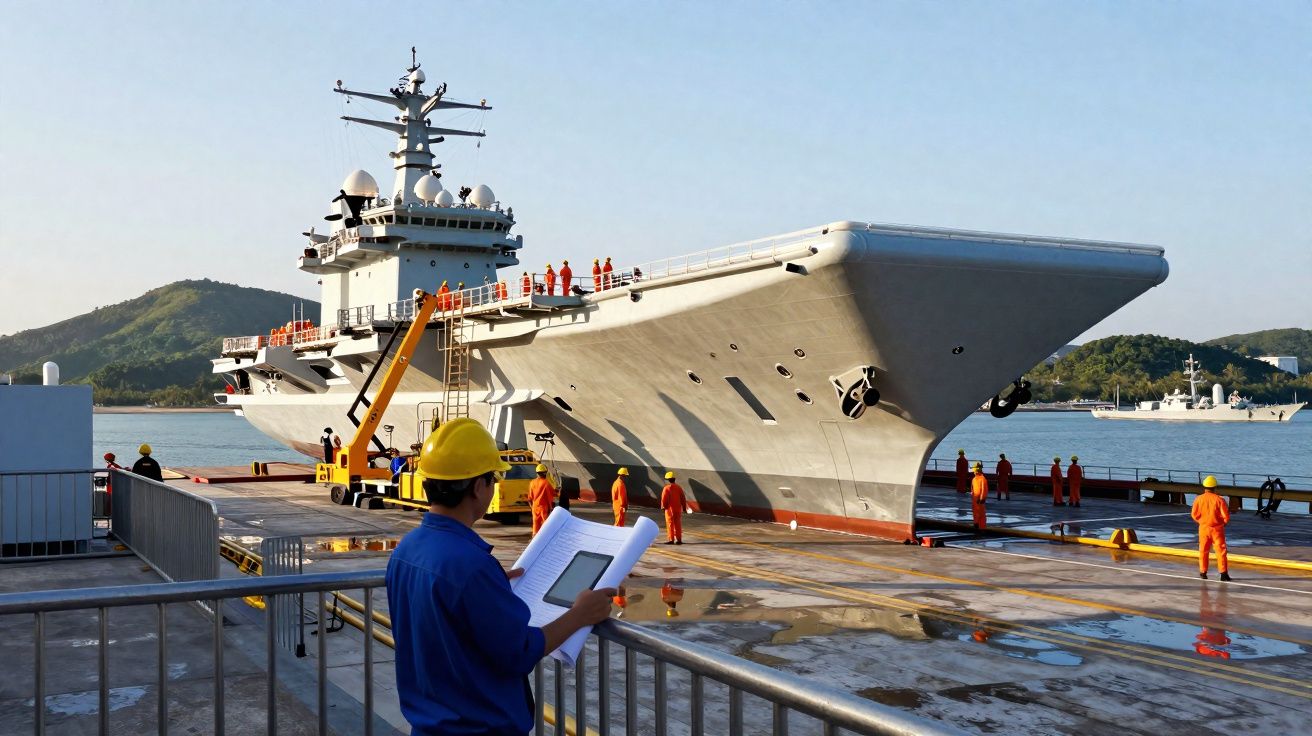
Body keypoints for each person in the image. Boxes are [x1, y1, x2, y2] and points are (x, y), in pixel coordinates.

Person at [385, 418, 614, 735]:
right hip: (478, 727)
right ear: (478, 487)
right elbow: (518, 652)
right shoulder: (471, 566)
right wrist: (580, 615)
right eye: (492, 479)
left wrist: (486, 590)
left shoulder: (407, 549)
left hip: (429, 724)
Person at [1192, 475, 1231, 581]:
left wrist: (1202, 522)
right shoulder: (1219, 500)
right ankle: (1223, 574)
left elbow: (1194, 515)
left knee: (1203, 550)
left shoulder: (1198, 499)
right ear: (1215, 487)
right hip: (1217, 529)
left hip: (1203, 529)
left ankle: (1203, 572)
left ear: (1204, 486)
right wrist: (1223, 523)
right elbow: (1226, 516)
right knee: (1221, 551)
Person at [527, 464, 556, 536]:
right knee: (545, 526)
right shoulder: (546, 483)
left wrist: (532, 508)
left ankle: (534, 538)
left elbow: (529, 498)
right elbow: (552, 494)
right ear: (545, 473)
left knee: (536, 525)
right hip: (543, 508)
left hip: (535, 507)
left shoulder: (532, 482)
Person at [660, 471, 685, 544]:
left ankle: (671, 539)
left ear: (668, 480)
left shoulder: (666, 488)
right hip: (678, 509)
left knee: (670, 524)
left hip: (669, 510)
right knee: (678, 524)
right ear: (674, 479)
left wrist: (663, 507)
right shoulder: (679, 488)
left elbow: (664, 499)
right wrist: (684, 507)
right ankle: (679, 539)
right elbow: (683, 498)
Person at [970, 461, 988, 528]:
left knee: (981, 513)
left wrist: (982, 498)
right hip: (975, 500)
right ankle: (976, 524)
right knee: (976, 513)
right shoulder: (974, 479)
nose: (974, 472)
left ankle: (981, 527)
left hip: (979, 500)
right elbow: (972, 489)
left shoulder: (982, 479)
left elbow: (984, 489)